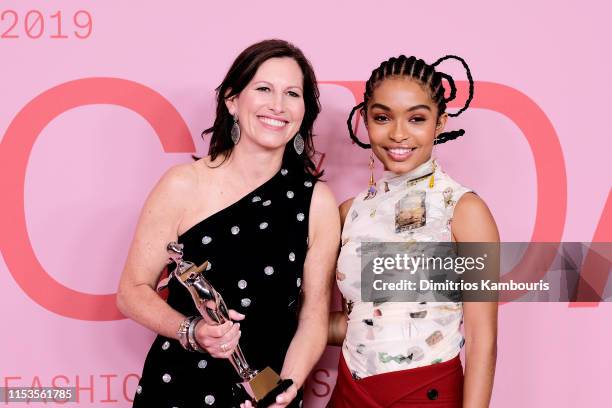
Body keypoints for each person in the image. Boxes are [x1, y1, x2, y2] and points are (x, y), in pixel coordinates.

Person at [117, 39, 340, 408]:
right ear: (233, 100)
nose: (278, 105)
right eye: (264, 89)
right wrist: (191, 330)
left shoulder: (316, 202)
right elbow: (132, 291)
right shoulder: (182, 184)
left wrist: (288, 387)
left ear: (304, 111)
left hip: (265, 394)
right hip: (178, 388)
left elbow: (313, 315)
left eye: (292, 93)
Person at [327, 55, 498, 407]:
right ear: (365, 120)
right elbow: (355, 320)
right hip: (351, 392)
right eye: (382, 117)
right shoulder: (348, 212)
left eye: (417, 119)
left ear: (440, 124)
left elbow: (483, 340)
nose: (398, 134)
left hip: (426, 392)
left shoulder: (464, 210)